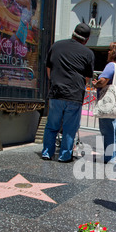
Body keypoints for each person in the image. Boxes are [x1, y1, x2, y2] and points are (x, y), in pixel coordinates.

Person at [42, 23, 95, 162]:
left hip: (56, 92)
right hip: (74, 94)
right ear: (87, 40)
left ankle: (47, 152)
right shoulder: (88, 53)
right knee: (69, 128)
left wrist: (54, 82)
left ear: (73, 33)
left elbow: (49, 68)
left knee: (52, 125)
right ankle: (64, 155)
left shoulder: (56, 46)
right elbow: (87, 78)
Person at [92, 42, 116, 164]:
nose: (107, 52)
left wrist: (95, 84)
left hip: (109, 102)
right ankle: (115, 156)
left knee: (107, 130)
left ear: (114, 52)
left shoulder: (111, 66)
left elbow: (102, 81)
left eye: (110, 50)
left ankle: (109, 157)